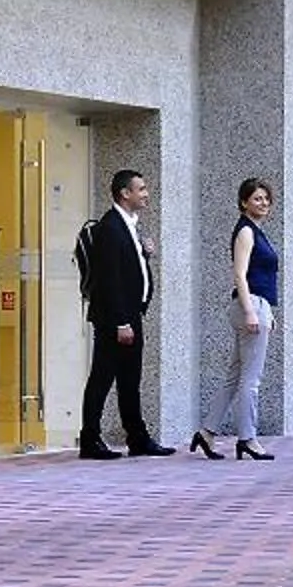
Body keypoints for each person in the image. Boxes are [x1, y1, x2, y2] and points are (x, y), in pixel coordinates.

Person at [79, 169, 176, 458]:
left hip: (131, 314)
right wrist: (121, 321)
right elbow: (110, 281)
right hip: (115, 319)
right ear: (125, 193)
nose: (146, 194)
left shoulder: (129, 225)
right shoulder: (110, 227)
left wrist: (145, 254)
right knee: (102, 379)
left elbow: (127, 269)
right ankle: (90, 440)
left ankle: (137, 437)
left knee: (129, 380)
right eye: (141, 189)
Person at [191, 179, 282, 462]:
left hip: (257, 304)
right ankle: (247, 439)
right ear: (243, 202)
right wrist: (252, 311)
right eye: (257, 198)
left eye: (266, 198)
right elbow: (240, 274)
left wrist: (267, 310)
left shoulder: (256, 231)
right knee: (250, 380)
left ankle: (206, 432)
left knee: (234, 377)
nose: (263, 203)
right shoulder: (245, 231)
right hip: (250, 305)